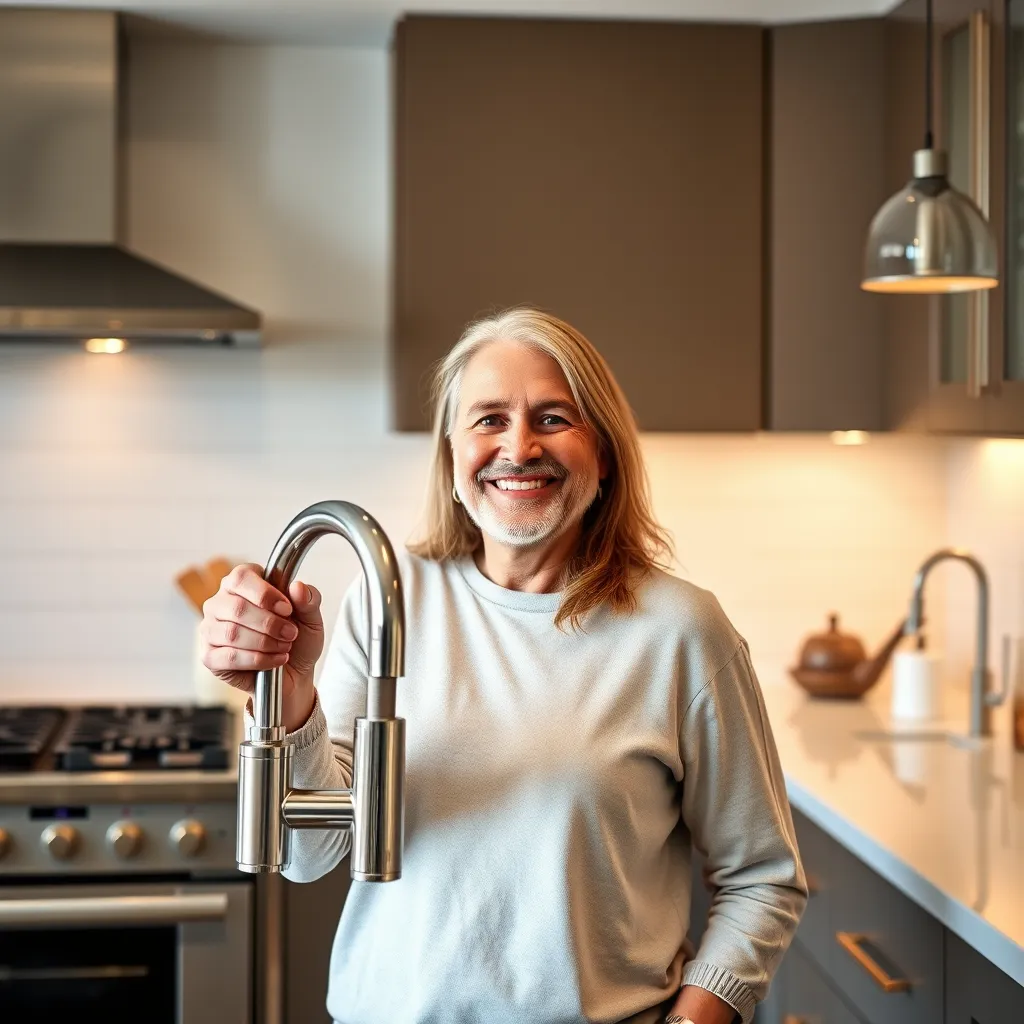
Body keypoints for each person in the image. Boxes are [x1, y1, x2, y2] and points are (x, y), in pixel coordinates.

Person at [200, 308, 807, 1024]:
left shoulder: (679, 632)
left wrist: (695, 1019)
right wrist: (292, 694)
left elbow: (764, 877)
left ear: (604, 455)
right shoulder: (390, 599)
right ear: (452, 458)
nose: (519, 446)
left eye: (554, 418)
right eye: (489, 419)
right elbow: (310, 854)